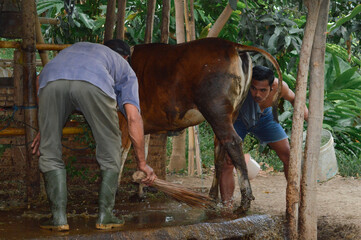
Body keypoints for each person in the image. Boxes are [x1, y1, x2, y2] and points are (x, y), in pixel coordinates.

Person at [31, 39, 156, 231]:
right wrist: (141, 163)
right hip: (94, 82)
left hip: (51, 80)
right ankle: (105, 216)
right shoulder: (125, 68)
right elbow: (133, 118)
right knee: (111, 147)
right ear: (125, 57)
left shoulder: (77, 49)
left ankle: (58, 219)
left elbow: (39, 80)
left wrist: (46, 127)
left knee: (49, 151)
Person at [219, 65, 308, 207]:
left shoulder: (280, 87)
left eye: (263, 90)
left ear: (272, 87)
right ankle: (226, 207)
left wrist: (308, 118)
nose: (257, 94)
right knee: (228, 162)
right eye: (253, 88)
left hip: (265, 119)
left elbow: (294, 98)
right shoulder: (238, 85)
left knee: (288, 155)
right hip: (239, 118)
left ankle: (300, 200)